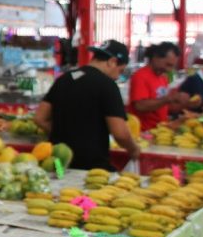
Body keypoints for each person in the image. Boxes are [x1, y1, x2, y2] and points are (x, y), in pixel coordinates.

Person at [34, 40, 140, 170]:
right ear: (112, 61)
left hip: (59, 163)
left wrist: (65, 135)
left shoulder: (64, 79)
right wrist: (133, 149)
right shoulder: (108, 85)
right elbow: (120, 134)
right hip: (91, 167)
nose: (118, 77)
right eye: (120, 70)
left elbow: (39, 118)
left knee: (59, 185)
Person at [128, 42, 186, 131]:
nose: (169, 69)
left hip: (159, 130)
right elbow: (140, 106)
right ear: (155, 57)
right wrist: (168, 99)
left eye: (172, 66)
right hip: (143, 131)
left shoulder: (163, 78)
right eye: (168, 64)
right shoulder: (140, 76)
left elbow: (161, 106)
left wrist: (183, 104)